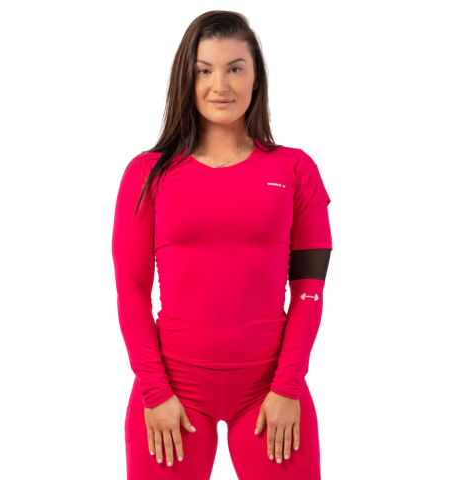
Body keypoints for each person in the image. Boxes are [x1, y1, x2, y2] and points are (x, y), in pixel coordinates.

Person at [111, 10, 332, 480]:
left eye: (235, 68)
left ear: (256, 78)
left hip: (270, 392)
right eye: (204, 70)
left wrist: (287, 386)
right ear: (186, 79)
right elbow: (131, 288)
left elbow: (310, 291)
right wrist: (155, 391)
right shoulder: (147, 174)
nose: (220, 85)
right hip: (173, 392)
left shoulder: (297, 171)